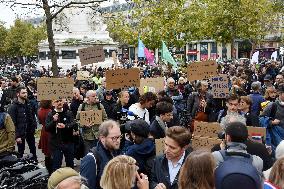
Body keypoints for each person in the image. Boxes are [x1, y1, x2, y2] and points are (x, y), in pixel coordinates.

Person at [80, 120, 121, 189]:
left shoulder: (116, 152)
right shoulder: (91, 159)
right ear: (102, 138)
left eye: (119, 136)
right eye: (114, 138)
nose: (118, 141)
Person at [46, 99, 78, 172]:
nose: (59, 103)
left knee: (70, 163)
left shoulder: (68, 112)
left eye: (60, 101)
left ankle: (71, 179)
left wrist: (65, 126)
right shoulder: (50, 114)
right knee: (57, 165)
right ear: (53, 104)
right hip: (56, 144)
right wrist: (53, 121)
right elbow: (47, 128)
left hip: (69, 142)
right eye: (57, 101)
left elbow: (73, 123)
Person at [8, 86, 37, 161]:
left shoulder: (29, 104)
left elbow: (32, 117)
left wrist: (34, 127)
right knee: (20, 152)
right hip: (20, 133)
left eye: (26, 92)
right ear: (18, 94)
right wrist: (17, 136)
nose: (25, 94)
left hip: (30, 132)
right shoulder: (13, 107)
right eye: (23, 93)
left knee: (33, 150)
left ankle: (35, 163)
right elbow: (12, 123)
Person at [76, 90, 108, 155]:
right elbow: (77, 120)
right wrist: (84, 124)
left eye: (96, 95)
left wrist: (100, 122)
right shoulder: (82, 106)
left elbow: (105, 119)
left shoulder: (99, 106)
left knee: (99, 154)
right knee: (89, 154)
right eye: (93, 96)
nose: (96, 97)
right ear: (88, 98)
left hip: (98, 135)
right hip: (87, 136)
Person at [38, 100, 53, 174]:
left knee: (47, 153)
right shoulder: (49, 111)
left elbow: (40, 121)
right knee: (50, 151)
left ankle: (48, 169)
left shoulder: (40, 110)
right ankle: (50, 169)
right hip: (49, 132)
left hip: (44, 131)